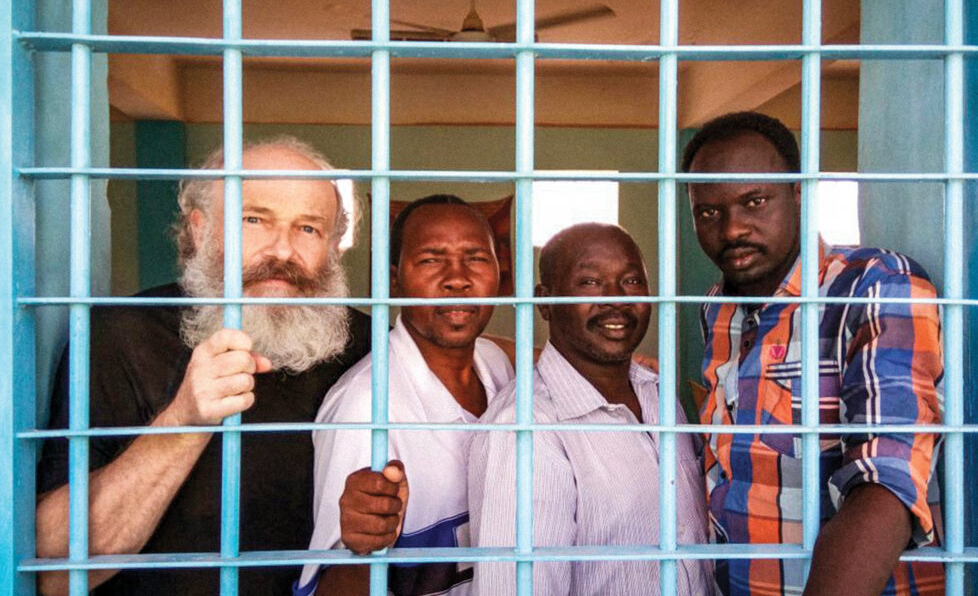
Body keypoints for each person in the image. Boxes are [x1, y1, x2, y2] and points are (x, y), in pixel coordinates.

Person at [35, 137, 371, 596]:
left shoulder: (364, 346)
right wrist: (184, 421)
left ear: (334, 245)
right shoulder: (119, 334)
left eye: (308, 229)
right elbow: (54, 572)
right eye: (254, 220)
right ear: (199, 229)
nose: (283, 251)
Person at [683, 111, 944, 596]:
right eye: (708, 212)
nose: (733, 228)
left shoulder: (874, 287)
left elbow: (887, 482)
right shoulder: (717, 309)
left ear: (799, 195)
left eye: (755, 201)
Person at [467, 223, 714, 596]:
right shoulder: (525, 430)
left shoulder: (659, 395)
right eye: (590, 282)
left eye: (631, 281)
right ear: (545, 302)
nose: (616, 299)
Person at [295, 195, 515, 596]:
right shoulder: (366, 407)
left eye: (476, 258)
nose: (457, 278)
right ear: (395, 280)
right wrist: (362, 549)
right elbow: (329, 587)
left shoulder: (496, 364)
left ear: (500, 272)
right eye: (431, 259)